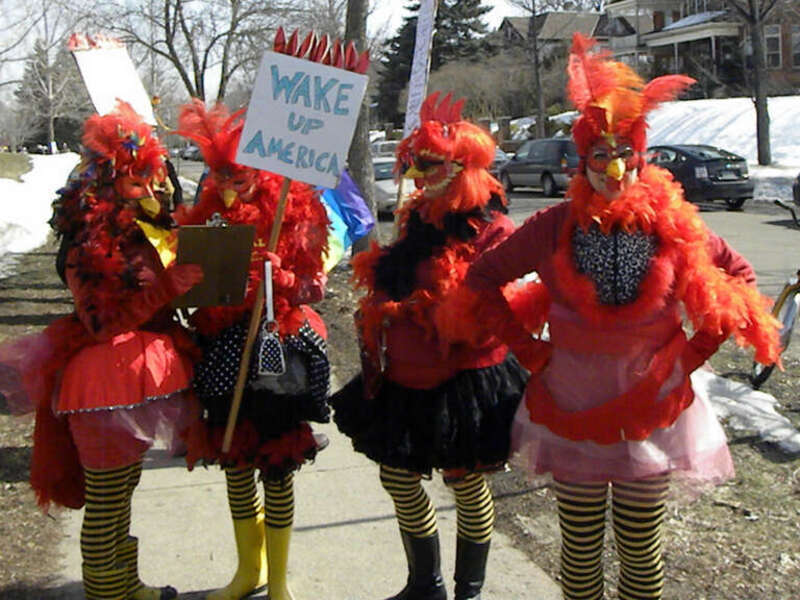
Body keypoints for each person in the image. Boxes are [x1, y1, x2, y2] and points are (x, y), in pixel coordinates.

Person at [463, 34, 782, 600]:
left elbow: (740, 280)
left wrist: (690, 356)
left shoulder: (676, 224)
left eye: (624, 154)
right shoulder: (553, 225)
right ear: (580, 163)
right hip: (570, 404)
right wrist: (529, 349)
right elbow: (483, 280)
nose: (614, 168)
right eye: (599, 155)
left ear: (641, 156)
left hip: (652, 405)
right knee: (580, 545)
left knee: (640, 547)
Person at [331, 92, 544, 600]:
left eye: (428, 163)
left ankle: (468, 590)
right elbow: (393, 277)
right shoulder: (415, 219)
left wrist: (417, 310)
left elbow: (488, 312)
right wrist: (382, 297)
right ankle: (424, 585)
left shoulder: (495, 229)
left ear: (463, 166)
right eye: (411, 162)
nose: (416, 173)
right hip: (405, 375)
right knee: (398, 477)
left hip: (463, 379)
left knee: (466, 483)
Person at [0, 101, 204, 600]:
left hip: (140, 376)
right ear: (107, 183)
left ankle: (125, 583)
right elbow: (100, 320)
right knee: (107, 499)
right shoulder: (88, 244)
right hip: (103, 382)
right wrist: (166, 288)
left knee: (124, 489)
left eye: (153, 180)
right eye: (139, 182)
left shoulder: (139, 230)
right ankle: (106, 592)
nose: (152, 190)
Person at [175, 99, 331, 600]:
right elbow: (196, 296)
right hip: (223, 354)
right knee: (235, 463)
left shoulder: (296, 210)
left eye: (236, 175)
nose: (225, 185)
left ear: (258, 172)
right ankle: (249, 572)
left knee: (277, 467)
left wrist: (283, 277)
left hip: (278, 352)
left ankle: (280, 582)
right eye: (218, 175)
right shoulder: (208, 217)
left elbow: (316, 286)